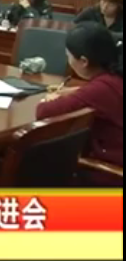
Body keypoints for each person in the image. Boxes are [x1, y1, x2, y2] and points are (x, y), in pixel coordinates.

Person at [37, 22, 122, 186]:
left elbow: (44, 112)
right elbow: (100, 93)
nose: (68, 61)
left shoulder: (100, 90)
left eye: (69, 56)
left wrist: (48, 99)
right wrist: (78, 91)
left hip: (108, 174)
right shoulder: (114, 76)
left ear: (83, 61)